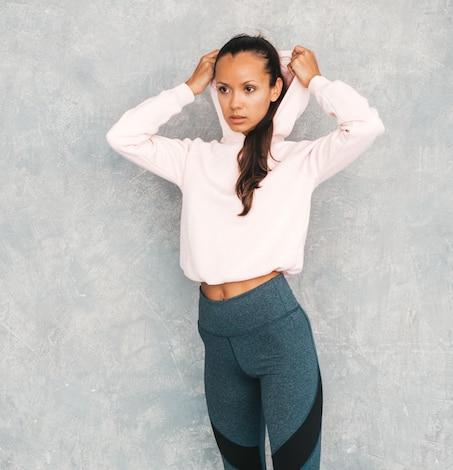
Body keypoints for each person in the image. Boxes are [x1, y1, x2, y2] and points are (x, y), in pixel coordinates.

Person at [106, 34, 384, 470]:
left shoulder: (300, 159)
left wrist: (318, 81)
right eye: (224, 88)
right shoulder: (193, 158)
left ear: (276, 90)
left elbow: (365, 126)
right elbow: (123, 136)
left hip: (277, 333)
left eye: (250, 88)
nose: (235, 102)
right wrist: (188, 87)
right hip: (216, 333)